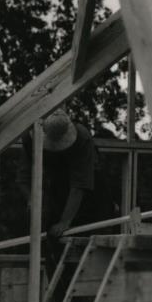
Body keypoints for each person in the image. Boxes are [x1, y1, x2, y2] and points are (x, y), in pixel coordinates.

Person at [18, 109, 114, 280]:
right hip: (55, 189)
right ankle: (58, 291)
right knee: (51, 241)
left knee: (89, 246)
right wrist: (31, 199)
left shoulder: (82, 139)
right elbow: (23, 177)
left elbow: (80, 186)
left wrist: (65, 221)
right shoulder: (30, 138)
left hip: (91, 196)